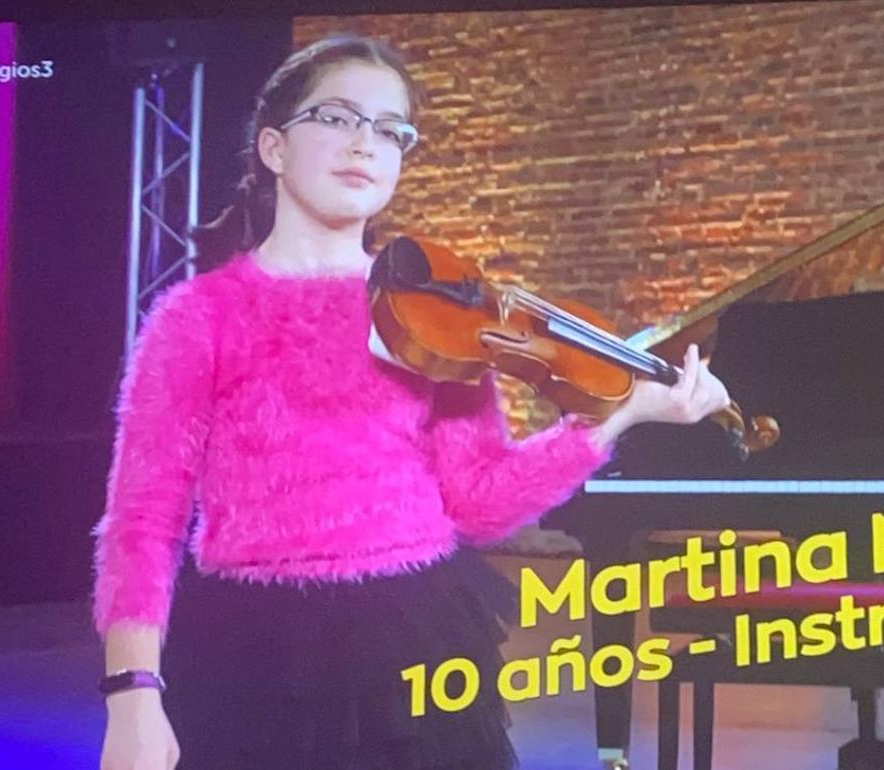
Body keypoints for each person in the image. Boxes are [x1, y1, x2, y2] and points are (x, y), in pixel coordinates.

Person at [95, 34, 730, 770]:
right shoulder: (197, 317)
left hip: (415, 634)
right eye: (337, 117)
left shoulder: (439, 318)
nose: (365, 143)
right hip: (250, 646)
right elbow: (142, 520)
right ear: (273, 147)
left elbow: (479, 500)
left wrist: (617, 415)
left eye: (391, 130)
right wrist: (131, 694)